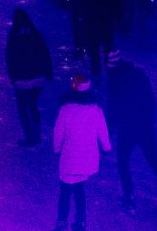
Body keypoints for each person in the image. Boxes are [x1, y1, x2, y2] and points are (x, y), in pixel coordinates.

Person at [104, 47, 157, 210]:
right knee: (154, 160)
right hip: (144, 125)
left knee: (123, 161)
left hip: (127, 128)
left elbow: (112, 109)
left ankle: (129, 197)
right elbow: (151, 99)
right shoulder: (139, 73)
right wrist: (147, 118)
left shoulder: (114, 80)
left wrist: (108, 135)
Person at [51, 74, 111, 230]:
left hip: (70, 157)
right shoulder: (95, 110)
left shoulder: (66, 110)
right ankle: (81, 220)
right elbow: (102, 131)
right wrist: (106, 147)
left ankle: (61, 221)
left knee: (65, 190)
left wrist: (57, 149)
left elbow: (59, 133)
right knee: (80, 189)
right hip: (87, 158)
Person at [6, 9, 53, 146]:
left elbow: (10, 58)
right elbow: (45, 53)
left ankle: (29, 136)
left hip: (21, 80)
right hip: (38, 78)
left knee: (23, 109)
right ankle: (36, 133)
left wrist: (12, 77)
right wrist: (48, 72)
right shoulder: (36, 35)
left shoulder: (14, 38)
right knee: (32, 104)